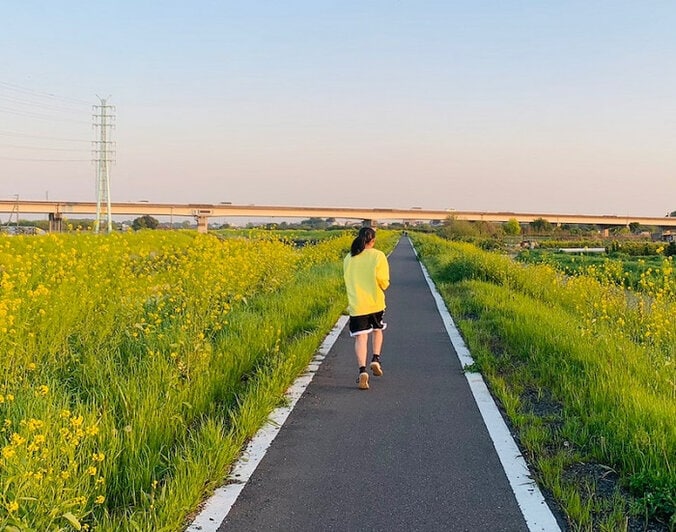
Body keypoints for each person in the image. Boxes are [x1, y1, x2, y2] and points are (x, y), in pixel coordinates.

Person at [343, 226, 390, 390]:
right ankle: (375, 359)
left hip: (357, 304)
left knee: (360, 338)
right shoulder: (378, 255)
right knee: (377, 330)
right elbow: (384, 281)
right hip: (375, 302)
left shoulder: (349, 257)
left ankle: (362, 371)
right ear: (373, 240)